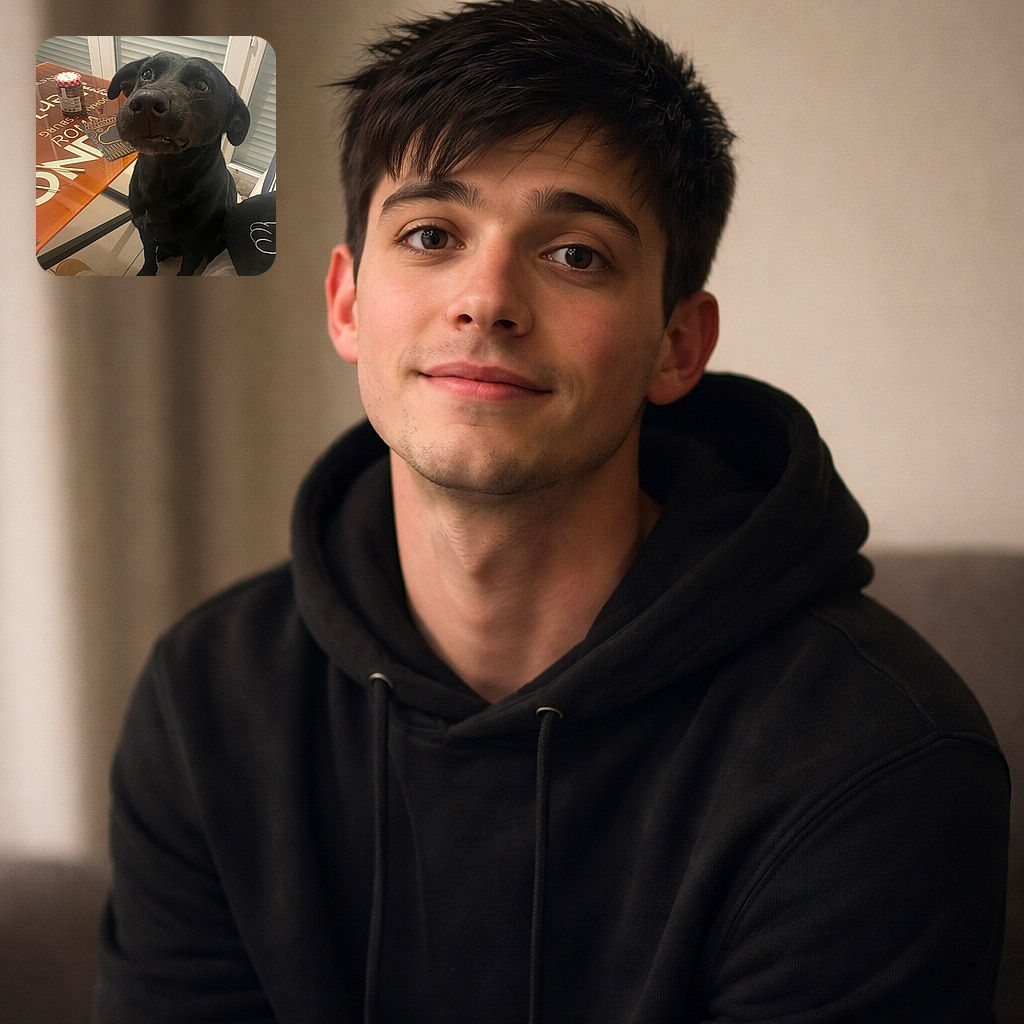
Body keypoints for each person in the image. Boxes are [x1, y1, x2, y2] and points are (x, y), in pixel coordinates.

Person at [94, 2, 1010, 1021]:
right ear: (349, 304)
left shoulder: (876, 752)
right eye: (432, 234)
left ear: (676, 345)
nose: (486, 298)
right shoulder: (206, 701)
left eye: (574, 253)